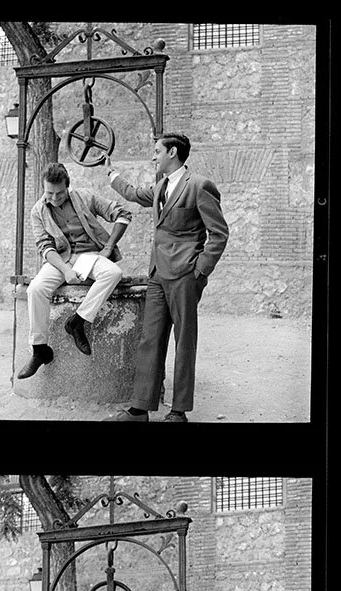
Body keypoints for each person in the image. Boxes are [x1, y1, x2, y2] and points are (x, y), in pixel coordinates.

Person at [103, 133, 229, 421]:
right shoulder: (161, 186)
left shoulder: (199, 185)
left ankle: (179, 410)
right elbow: (134, 194)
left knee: (184, 342)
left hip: (185, 275)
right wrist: (112, 175)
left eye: (157, 151)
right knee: (150, 339)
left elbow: (219, 233)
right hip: (157, 274)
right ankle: (140, 408)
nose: (153, 156)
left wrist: (199, 271)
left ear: (172, 152)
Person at [17, 163, 132, 378]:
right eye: (49, 193)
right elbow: (45, 247)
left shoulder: (85, 197)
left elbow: (123, 214)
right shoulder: (38, 211)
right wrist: (66, 271)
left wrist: (108, 248)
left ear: (67, 187)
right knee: (36, 289)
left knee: (113, 274)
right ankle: (39, 349)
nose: (54, 197)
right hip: (59, 259)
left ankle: (77, 322)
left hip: (89, 256)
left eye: (59, 193)